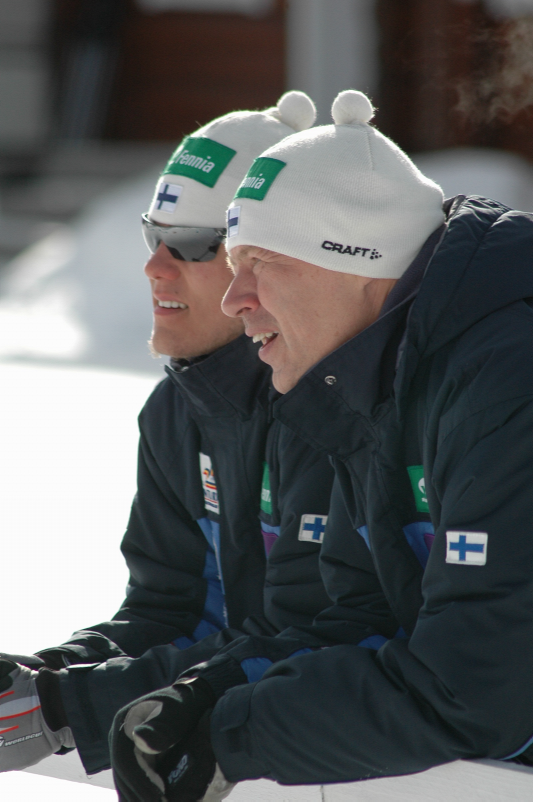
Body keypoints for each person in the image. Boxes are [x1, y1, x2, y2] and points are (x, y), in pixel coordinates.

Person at [107, 89, 533, 801]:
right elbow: (361, 620)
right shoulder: (372, 384)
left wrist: (230, 735)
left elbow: (475, 690)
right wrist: (203, 695)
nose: (235, 298)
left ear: (354, 262)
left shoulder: (503, 378)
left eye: (259, 264)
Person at [0, 91, 342, 776]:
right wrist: (45, 674)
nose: (156, 268)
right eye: (151, 237)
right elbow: (172, 612)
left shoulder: (335, 414)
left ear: (268, 261)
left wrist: (70, 703)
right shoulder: (176, 411)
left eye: (189, 245)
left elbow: (313, 638)